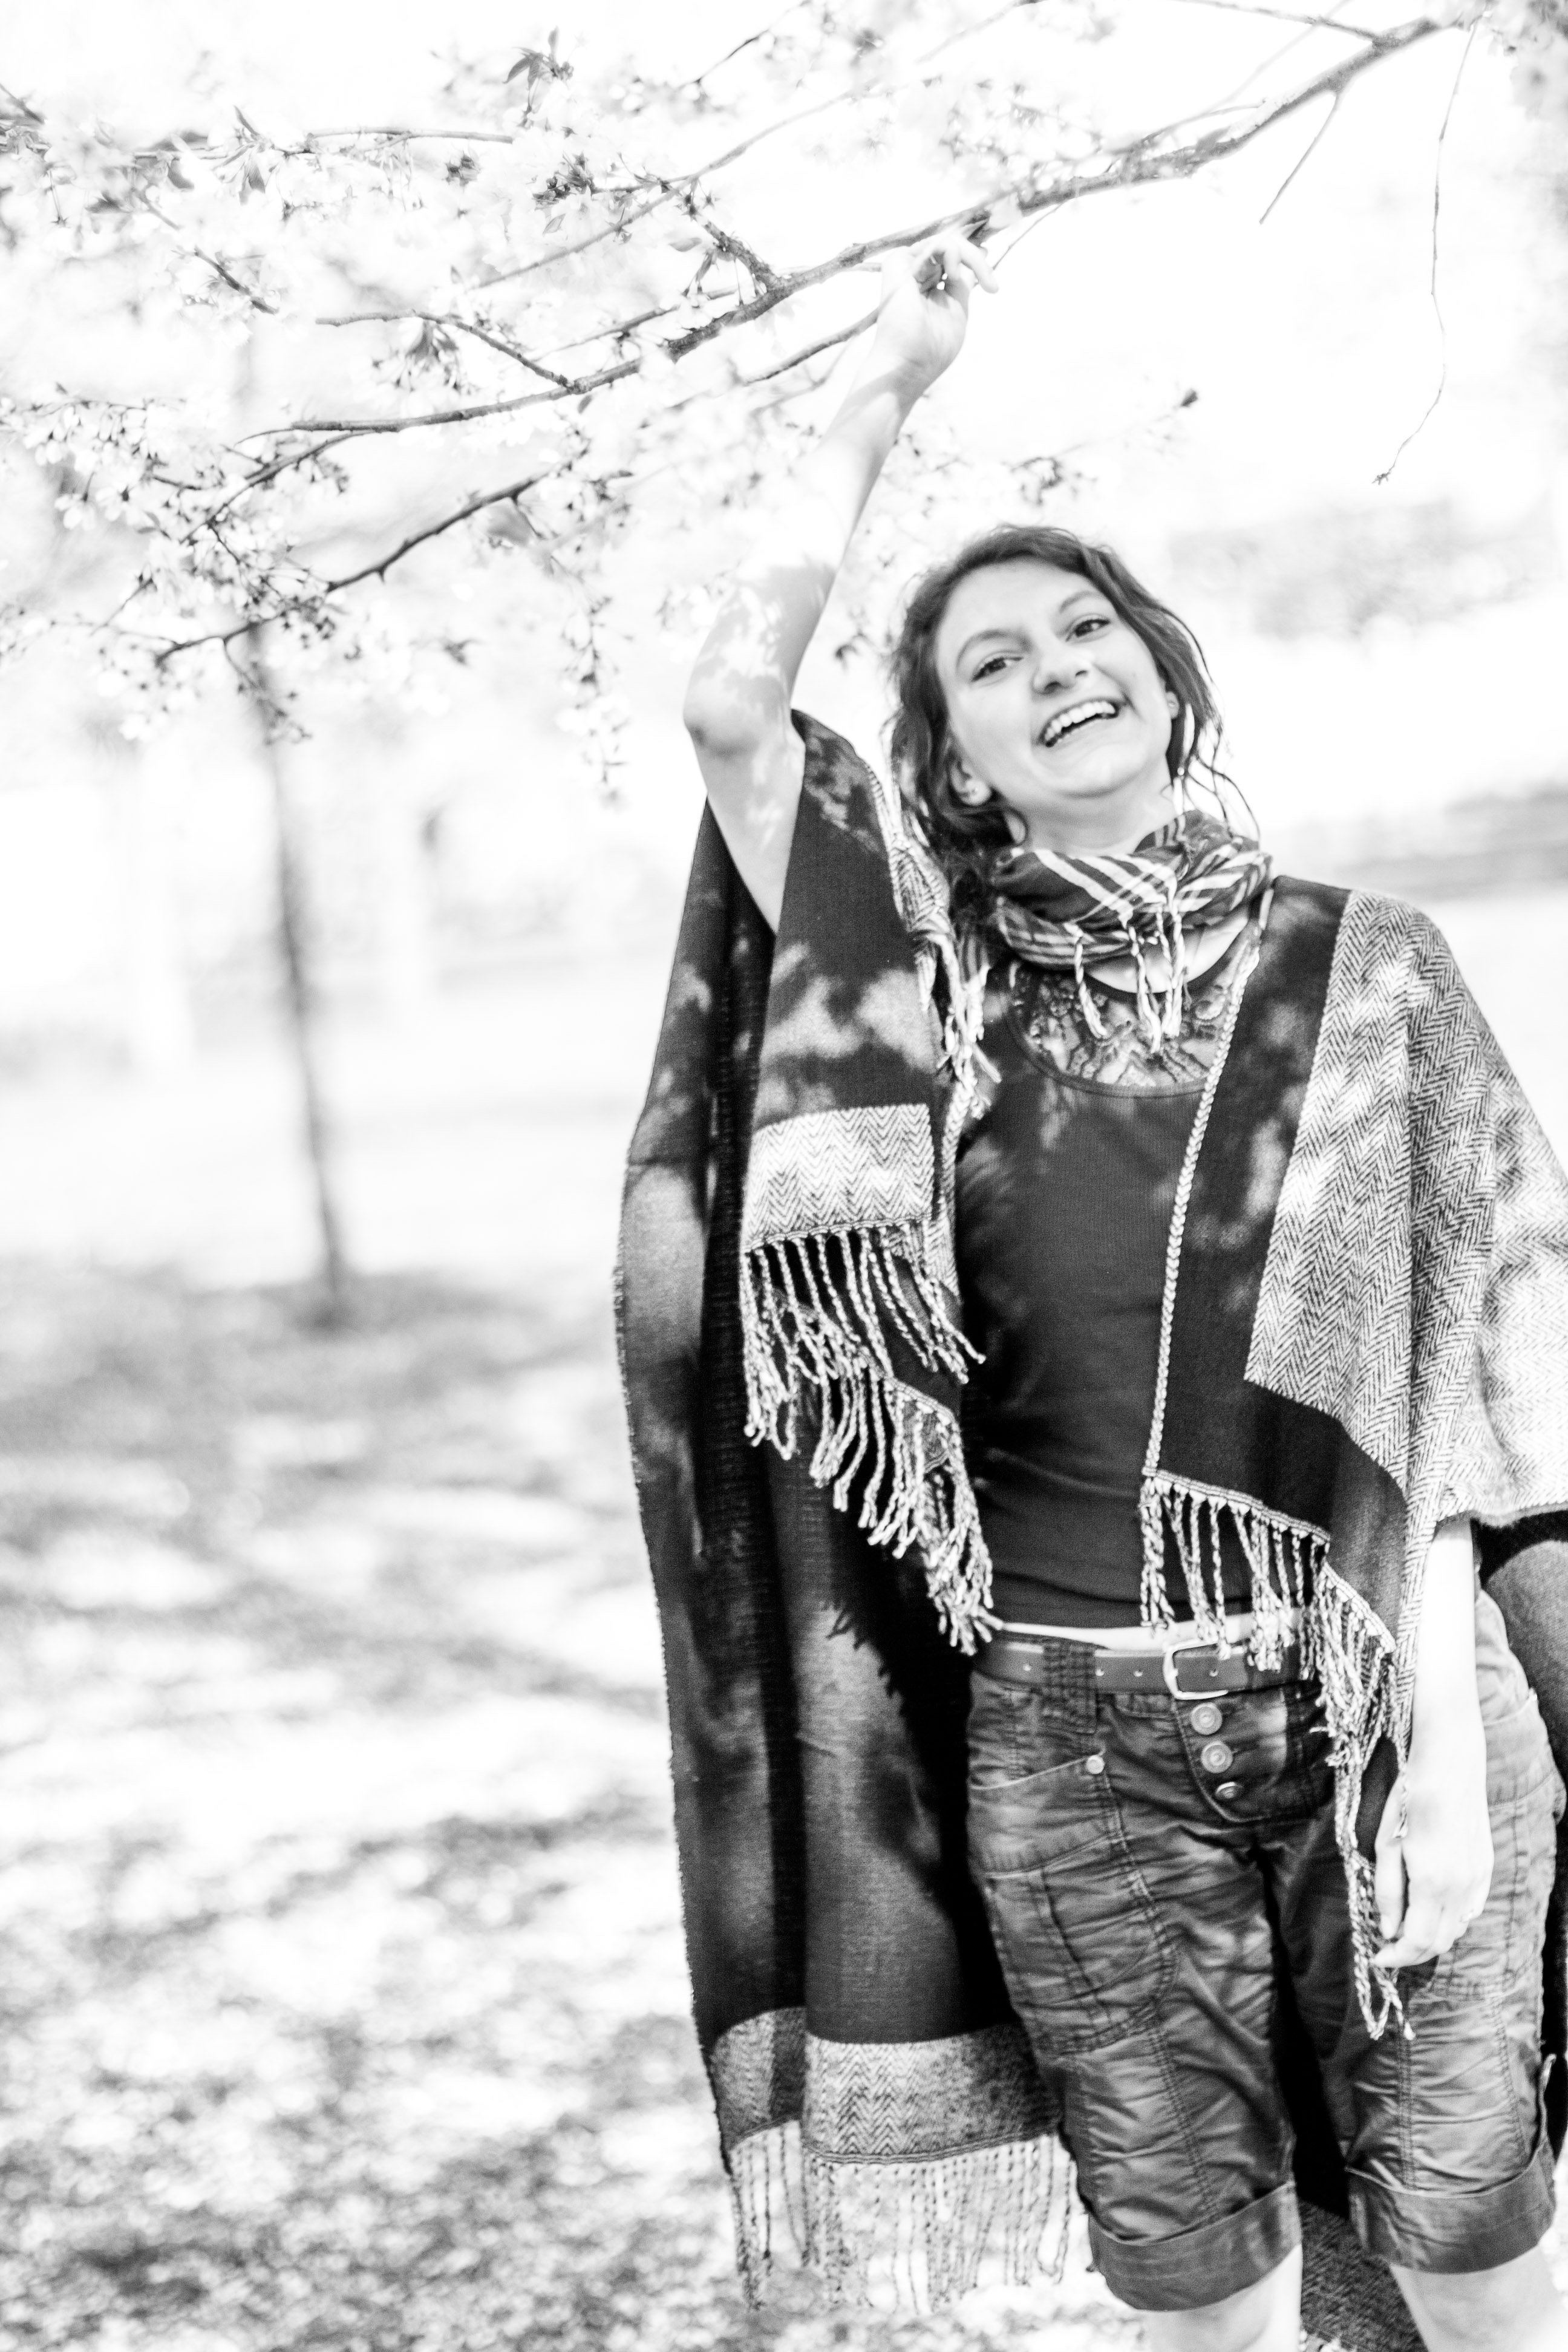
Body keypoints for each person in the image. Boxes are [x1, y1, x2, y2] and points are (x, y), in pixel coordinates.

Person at [631, 237, 1568, 2352]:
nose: (1057, 665)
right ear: (954, 758)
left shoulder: (1372, 969)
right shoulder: (918, 995)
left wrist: (1435, 1750)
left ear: (1160, 671)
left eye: (1086, 627)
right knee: (1200, 2292)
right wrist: (882, 387)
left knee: (1478, 2263)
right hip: (1074, 1749)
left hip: (1378, 1707)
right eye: (992, 660)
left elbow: (1469, 1396)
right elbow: (728, 709)